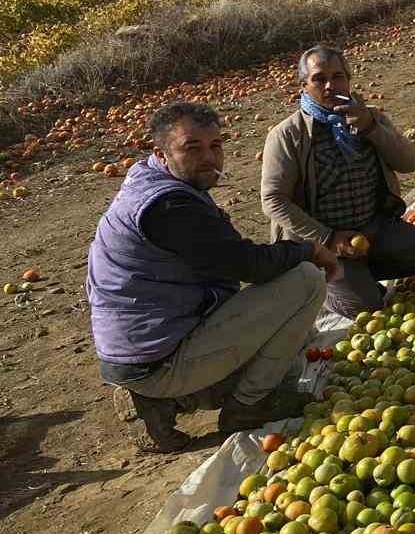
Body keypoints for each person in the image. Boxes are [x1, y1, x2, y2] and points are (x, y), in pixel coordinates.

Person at [88, 101, 340, 452]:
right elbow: (249, 265)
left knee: (292, 341)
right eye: (192, 148)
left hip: (147, 345)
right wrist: (309, 250)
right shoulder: (168, 207)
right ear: (161, 153)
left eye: (215, 146)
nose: (209, 158)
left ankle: (164, 400)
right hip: (156, 358)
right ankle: (246, 406)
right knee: (305, 281)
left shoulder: (149, 181)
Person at [262, 45, 415, 319]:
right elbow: (273, 200)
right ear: (303, 86)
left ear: (348, 80)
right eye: (319, 78)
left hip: (372, 229)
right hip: (323, 242)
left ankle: (358, 273)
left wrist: (372, 127)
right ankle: (328, 284)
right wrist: (328, 238)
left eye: (337, 76)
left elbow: (409, 163)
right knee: (365, 307)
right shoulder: (288, 135)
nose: (329, 85)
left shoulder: (367, 117)